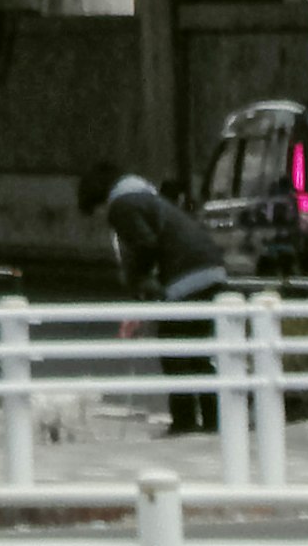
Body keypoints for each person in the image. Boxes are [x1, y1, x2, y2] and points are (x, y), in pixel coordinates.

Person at [78, 161, 224, 435]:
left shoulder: (122, 205)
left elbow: (145, 245)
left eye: (95, 211)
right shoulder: (143, 196)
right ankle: (213, 422)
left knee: (175, 350)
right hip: (208, 268)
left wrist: (143, 291)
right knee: (197, 351)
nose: (100, 218)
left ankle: (185, 423)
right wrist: (143, 305)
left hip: (186, 275)